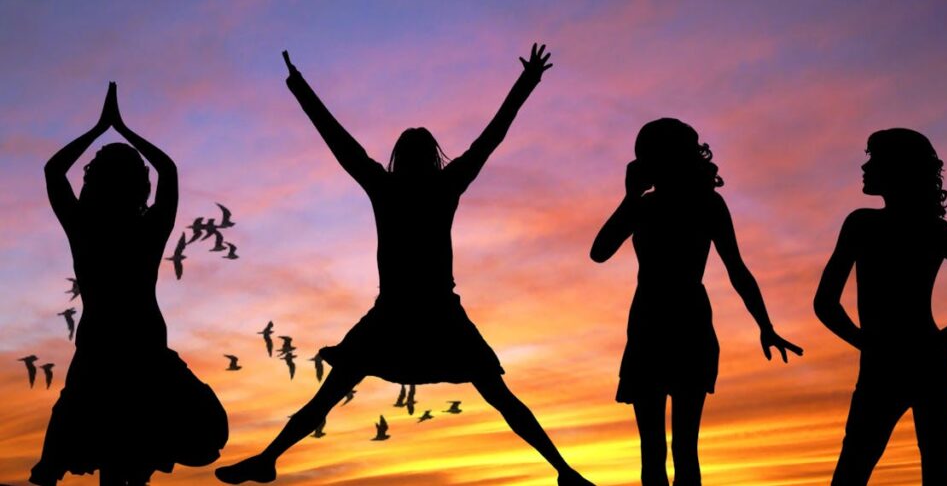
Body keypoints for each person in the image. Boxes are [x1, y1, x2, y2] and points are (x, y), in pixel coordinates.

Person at [216, 44, 593, 485]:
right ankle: (564, 470)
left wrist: (298, 86)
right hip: (426, 313)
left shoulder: (387, 185)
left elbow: (338, 140)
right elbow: (491, 137)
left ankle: (269, 458)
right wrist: (527, 82)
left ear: (402, 157)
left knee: (331, 395)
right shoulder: (441, 184)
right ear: (433, 157)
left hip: (404, 313)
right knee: (499, 397)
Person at [32, 83, 228, 486]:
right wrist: (123, 129)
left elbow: (53, 171)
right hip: (138, 342)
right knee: (133, 453)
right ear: (140, 185)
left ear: (94, 181)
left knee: (113, 448)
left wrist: (101, 128)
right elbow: (169, 171)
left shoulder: (84, 227)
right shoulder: (148, 227)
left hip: (108, 342)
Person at [591, 118, 802, 486]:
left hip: (665, 322)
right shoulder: (676, 205)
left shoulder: (689, 205)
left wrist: (765, 325)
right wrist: (630, 199)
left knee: (664, 450)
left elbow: (738, 270)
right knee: (673, 450)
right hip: (667, 323)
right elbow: (599, 252)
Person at [815, 128, 947, 485]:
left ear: (897, 169)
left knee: (855, 468)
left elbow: (826, 304)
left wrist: (868, 344)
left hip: (890, 362)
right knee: (935, 468)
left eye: (873, 159)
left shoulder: (863, 224)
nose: (864, 166)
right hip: (928, 358)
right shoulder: (934, 230)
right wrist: (944, 337)